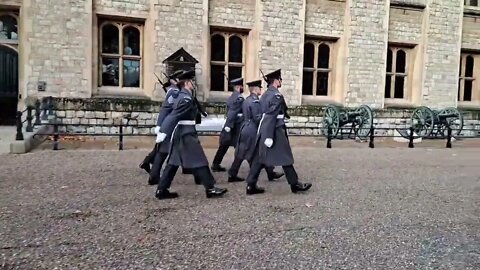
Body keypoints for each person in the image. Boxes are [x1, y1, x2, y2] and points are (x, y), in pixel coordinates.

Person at [155, 70, 228, 199]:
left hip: (182, 132)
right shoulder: (186, 98)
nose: (194, 83)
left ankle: (161, 190)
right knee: (200, 160)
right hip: (186, 134)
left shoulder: (183, 96)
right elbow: (174, 116)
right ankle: (210, 188)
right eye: (192, 81)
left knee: (172, 163)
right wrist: (163, 131)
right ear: (187, 83)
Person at [244, 69, 312, 195]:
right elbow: (271, 115)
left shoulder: (265, 95)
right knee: (285, 157)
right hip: (274, 129)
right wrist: (269, 136)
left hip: (266, 128)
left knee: (260, 158)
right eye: (280, 79)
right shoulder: (275, 95)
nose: (281, 81)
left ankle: (251, 185)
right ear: (276, 81)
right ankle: (295, 184)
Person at [227, 79, 284, 182]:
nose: (261, 90)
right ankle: (268, 173)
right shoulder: (255, 101)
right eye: (259, 88)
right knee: (260, 152)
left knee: (242, 152)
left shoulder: (247, 100)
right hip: (252, 129)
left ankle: (233, 173)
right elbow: (257, 118)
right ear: (255, 89)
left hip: (245, 127)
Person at [139, 70, 183, 176]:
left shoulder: (175, 90)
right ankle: (154, 174)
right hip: (168, 124)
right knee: (163, 150)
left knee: (160, 148)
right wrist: (160, 125)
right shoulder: (174, 92)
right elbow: (167, 109)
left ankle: (147, 163)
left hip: (168, 124)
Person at [210, 78, 245, 172]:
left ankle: (216, 164)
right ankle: (234, 170)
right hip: (235, 126)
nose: (243, 88)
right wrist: (229, 126)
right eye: (242, 86)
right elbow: (232, 113)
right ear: (238, 87)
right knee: (241, 146)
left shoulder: (232, 97)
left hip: (231, 125)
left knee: (224, 145)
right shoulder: (239, 98)